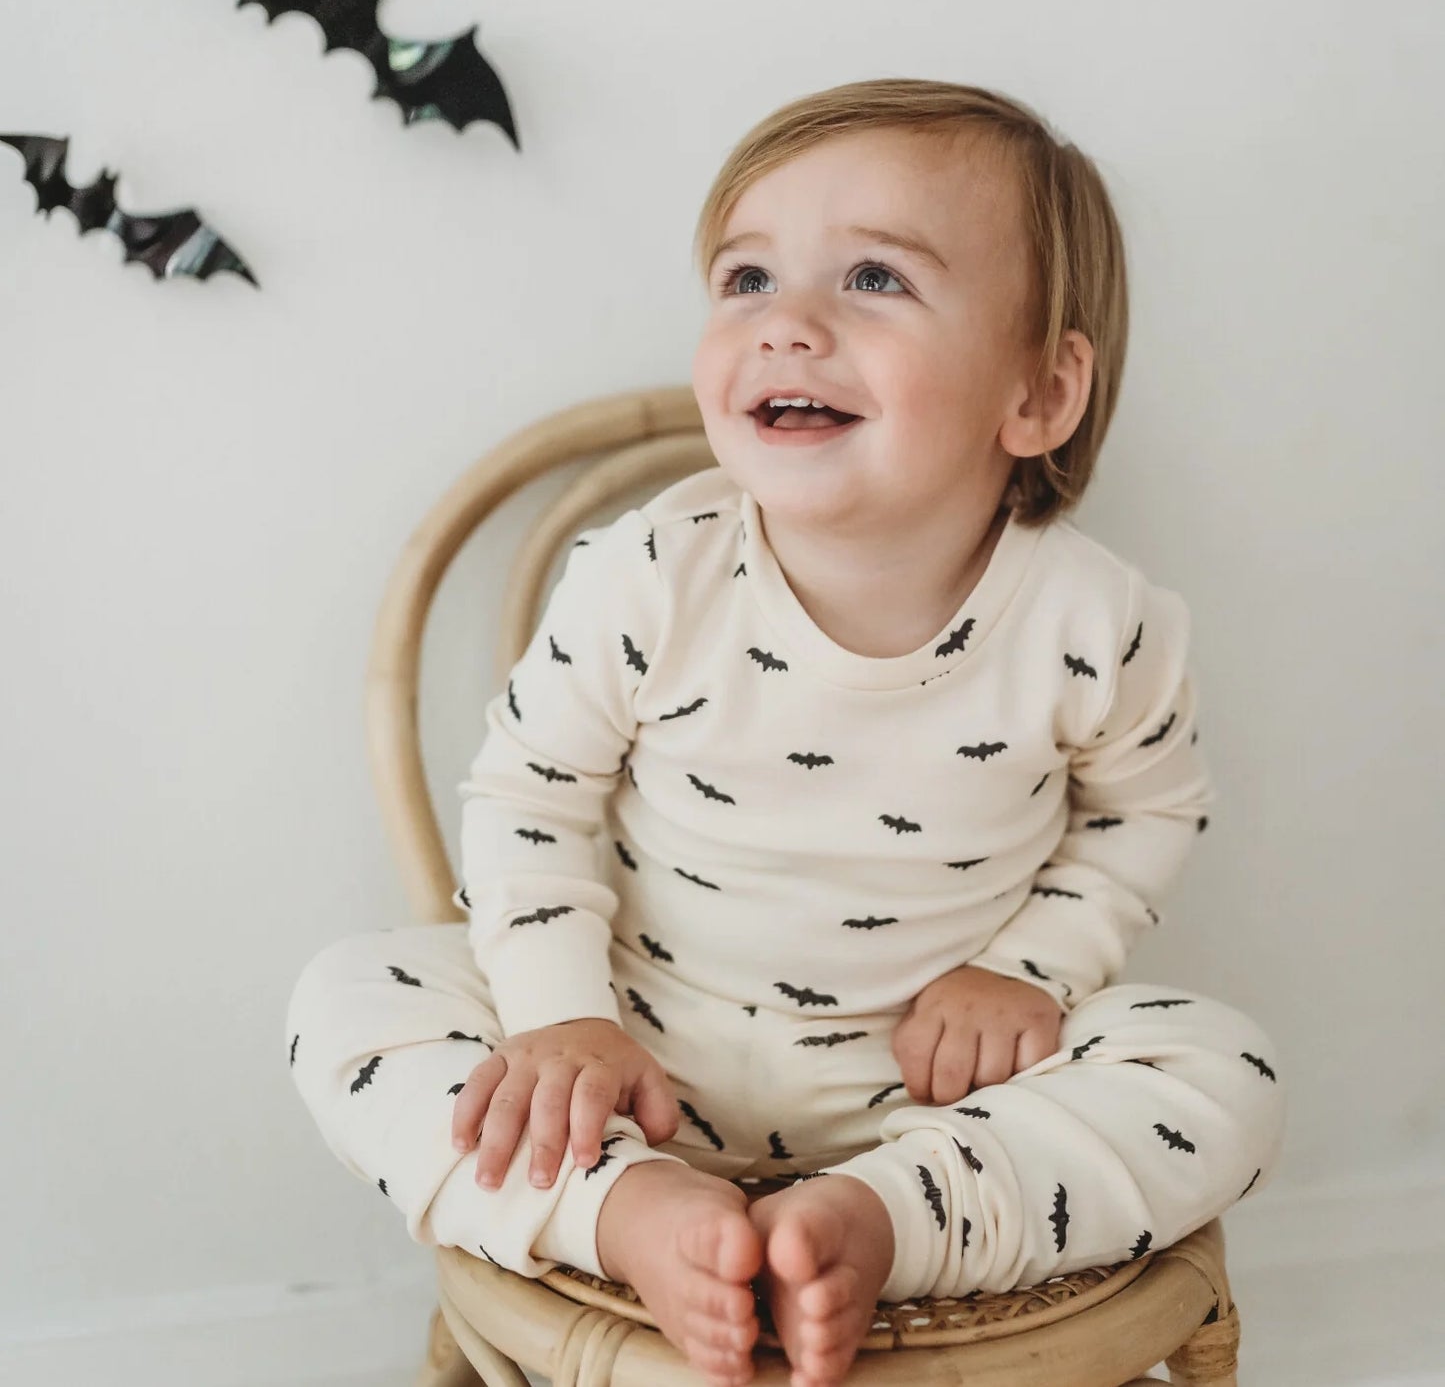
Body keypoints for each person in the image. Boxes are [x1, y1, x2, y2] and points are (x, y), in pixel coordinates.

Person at [286, 77, 1286, 1387]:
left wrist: (1033, 971)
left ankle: (883, 1222)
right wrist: (561, 1018)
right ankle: (627, 1210)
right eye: (746, 277)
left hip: (935, 1097)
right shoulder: (651, 572)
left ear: (1040, 392)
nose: (787, 323)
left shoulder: (1096, 623)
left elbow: (1144, 807)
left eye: (874, 278)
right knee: (349, 1000)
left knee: (1223, 1070)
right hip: (631, 1062)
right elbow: (529, 795)